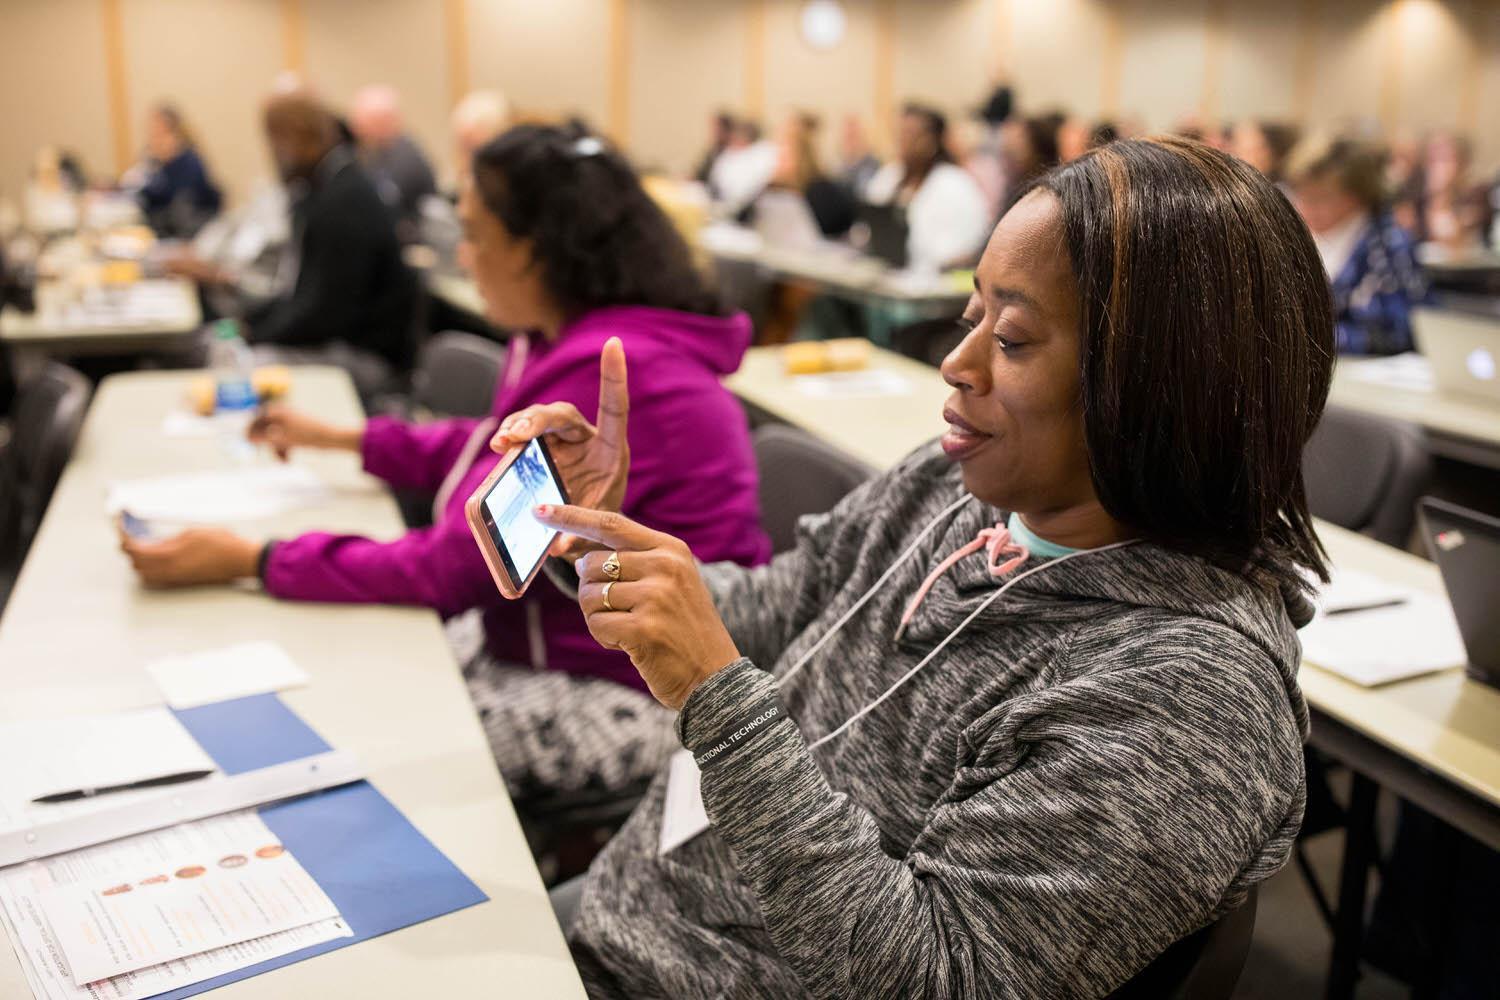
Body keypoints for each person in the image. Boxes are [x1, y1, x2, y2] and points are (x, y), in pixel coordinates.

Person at [506, 136, 1333, 996]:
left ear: (1156, 387)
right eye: (973, 316)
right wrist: (602, 544)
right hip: (636, 916)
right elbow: (775, 609)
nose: (956, 363)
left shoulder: (1185, 700)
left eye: (1012, 339)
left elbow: (933, 979)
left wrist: (719, 702)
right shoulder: (960, 483)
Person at [121, 123, 770, 801]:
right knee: (349, 682)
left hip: (620, 690)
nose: (462, 256)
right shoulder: (568, 338)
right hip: (546, 645)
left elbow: (447, 572)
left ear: (535, 250)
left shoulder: (613, 366)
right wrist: (349, 440)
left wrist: (252, 559)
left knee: (359, 741)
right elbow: (486, 446)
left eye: (475, 235)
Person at [1287, 135, 1427, 355]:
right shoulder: (1297, 236)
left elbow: (1400, 332)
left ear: (1357, 196)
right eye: (1302, 196)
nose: (1305, 208)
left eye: (1320, 198)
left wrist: (1309, 338)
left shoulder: (1388, 244)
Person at [865, 103, 990, 271]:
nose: (903, 142)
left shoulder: (956, 186)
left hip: (934, 279)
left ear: (932, 141)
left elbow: (961, 250)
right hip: (884, 272)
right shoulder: (889, 175)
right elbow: (868, 225)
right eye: (900, 133)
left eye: (910, 134)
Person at [349, 84, 438, 236]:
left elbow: (386, 202)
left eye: (365, 125)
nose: (358, 132)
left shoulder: (408, 157)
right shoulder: (363, 153)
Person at [131, 104, 223, 238]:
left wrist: (168, 164)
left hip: (190, 234)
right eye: (152, 135)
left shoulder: (188, 162)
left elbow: (175, 206)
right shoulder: (156, 163)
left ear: (175, 134)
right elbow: (147, 195)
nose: (154, 141)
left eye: (160, 134)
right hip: (168, 231)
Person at [1230, 120, 1300, 185]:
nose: (1255, 157)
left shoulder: (1285, 189)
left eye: (1259, 149)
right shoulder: (1233, 186)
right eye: (1247, 152)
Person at [693, 110, 736, 187]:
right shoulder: (714, 149)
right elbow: (700, 173)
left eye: (717, 128)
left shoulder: (730, 153)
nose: (713, 131)